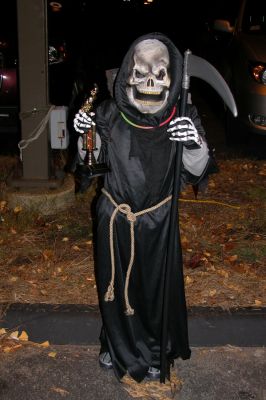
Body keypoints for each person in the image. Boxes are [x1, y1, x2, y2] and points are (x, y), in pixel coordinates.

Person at [73, 32, 218, 383]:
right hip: (115, 219)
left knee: (155, 290)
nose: (150, 80)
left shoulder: (182, 114)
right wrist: (84, 137)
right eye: (140, 72)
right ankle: (115, 343)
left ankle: (156, 350)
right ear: (126, 74)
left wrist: (195, 142)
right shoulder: (109, 113)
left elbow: (199, 170)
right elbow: (89, 162)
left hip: (160, 220)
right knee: (113, 285)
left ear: (173, 74)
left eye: (160, 71)